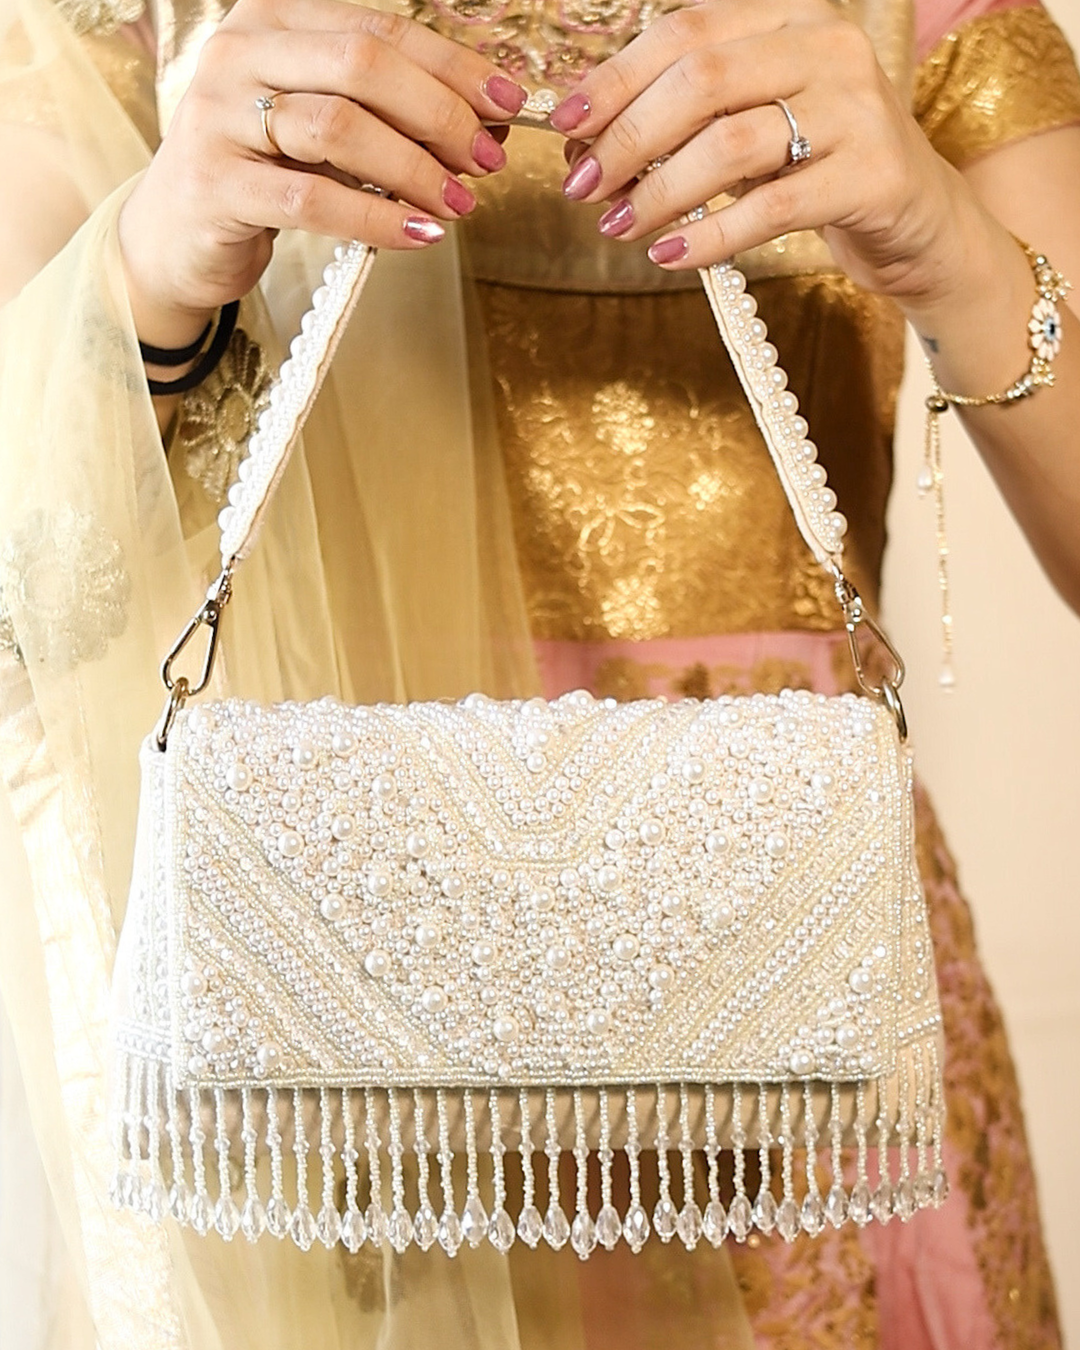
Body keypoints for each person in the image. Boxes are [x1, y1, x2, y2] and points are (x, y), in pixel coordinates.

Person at [0, 0, 1077, 1341]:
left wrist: (952, 249)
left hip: (792, 998)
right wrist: (152, 267)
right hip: (348, 1005)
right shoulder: (134, 23)